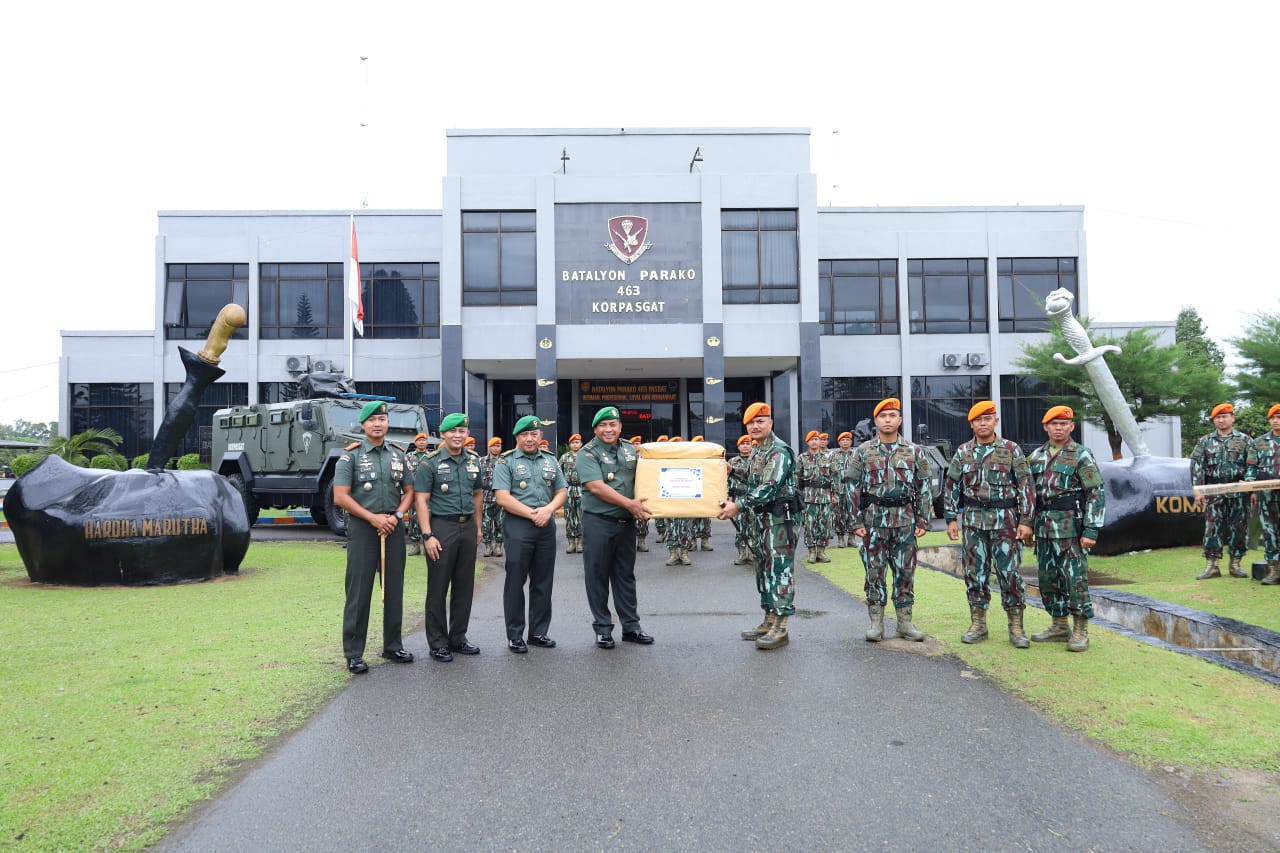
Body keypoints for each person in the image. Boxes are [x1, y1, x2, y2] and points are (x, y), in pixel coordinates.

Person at [943, 401, 1035, 648]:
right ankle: (978, 624)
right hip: (973, 522)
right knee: (975, 573)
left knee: (1009, 573)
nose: (983, 423)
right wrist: (951, 518)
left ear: (996, 421)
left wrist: (1027, 521)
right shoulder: (963, 452)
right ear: (971, 424)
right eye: (978, 420)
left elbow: (1026, 486)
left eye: (987, 419)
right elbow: (952, 486)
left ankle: (1016, 627)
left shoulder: (1011, 450)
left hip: (1006, 521)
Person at [333, 400, 416, 674]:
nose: (378, 424)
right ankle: (354, 653)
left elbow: (409, 491)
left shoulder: (398, 454)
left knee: (393, 589)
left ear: (388, 423)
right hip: (363, 529)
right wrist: (373, 518)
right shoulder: (351, 457)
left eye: (382, 419)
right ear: (363, 424)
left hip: (392, 528)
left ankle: (393, 646)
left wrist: (396, 516)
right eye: (372, 420)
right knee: (359, 592)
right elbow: (340, 496)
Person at [847, 399, 932, 642]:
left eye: (892, 415)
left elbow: (923, 487)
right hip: (873, 521)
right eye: (883, 416)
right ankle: (876, 623)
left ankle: (905, 622)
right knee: (874, 572)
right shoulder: (863, 451)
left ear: (900, 420)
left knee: (905, 572)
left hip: (905, 521)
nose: (887, 420)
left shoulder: (914, 451)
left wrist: (923, 521)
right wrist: (856, 522)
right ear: (876, 421)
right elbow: (851, 487)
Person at [717, 402, 799, 651]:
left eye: (760, 421)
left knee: (779, 571)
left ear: (770, 423)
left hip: (779, 521)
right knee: (763, 570)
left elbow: (769, 487)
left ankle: (781, 628)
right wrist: (732, 471)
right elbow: (754, 479)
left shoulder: (779, 451)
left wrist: (738, 505)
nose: (755, 426)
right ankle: (769, 620)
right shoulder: (758, 450)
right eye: (751, 423)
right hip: (761, 521)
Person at [1026, 406, 1106, 652]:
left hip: (1071, 526)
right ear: (1045, 427)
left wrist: (1091, 529)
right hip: (1043, 527)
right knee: (1048, 578)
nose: (1058, 428)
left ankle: (1081, 629)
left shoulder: (1081, 455)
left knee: (1074, 578)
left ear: (1071, 427)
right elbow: (1030, 495)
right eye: (1054, 424)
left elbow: (1095, 492)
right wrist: (1027, 524)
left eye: (1063, 424)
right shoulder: (1036, 456)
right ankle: (1059, 625)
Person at [576, 406, 654, 648]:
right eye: (603, 425)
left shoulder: (630, 449)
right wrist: (630, 504)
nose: (608, 429)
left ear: (620, 427)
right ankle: (603, 629)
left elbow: (649, 476)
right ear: (595, 429)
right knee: (597, 576)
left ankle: (631, 627)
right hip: (599, 522)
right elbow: (596, 487)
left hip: (626, 524)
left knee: (625, 576)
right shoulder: (587, 453)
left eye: (613, 425)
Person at [493, 416, 567, 653]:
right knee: (515, 581)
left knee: (543, 580)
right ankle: (515, 635)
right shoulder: (506, 462)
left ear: (540, 436)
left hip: (546, 525)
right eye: (524, 435)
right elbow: (502, 497)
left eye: (534, 434)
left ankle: (538, 632)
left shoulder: (550, 460)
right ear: (517, 437)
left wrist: (548, 510)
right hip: (519, 525)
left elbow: (562, 491)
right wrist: (533, 514)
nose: (529, 438)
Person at [413, 412, 483, 662]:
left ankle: (458, 638)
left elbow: (477, 493)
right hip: (442, 527)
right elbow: (421, 500)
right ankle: (438, 642)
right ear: (443, 434)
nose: (458, 435)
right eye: (453, 431)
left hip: (467, 527)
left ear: (467, 434)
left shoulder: (473, 460)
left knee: (464, 586)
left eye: (462, 431)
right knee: (438, 586)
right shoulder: (430, 463)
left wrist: (478, 526)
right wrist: (427, 535)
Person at [1190, 403, 1252, 579]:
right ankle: (1212, 566)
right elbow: (1196, 466)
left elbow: (1253, 464)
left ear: (1232, 418)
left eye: (1224, 416)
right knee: (1212, 527)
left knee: (1239, 527)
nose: (1221, 420)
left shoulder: (1245, 440)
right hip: (1213, 491)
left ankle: (1235, 564)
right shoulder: (1205, 441)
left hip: (1239, 491)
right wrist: (1198, 490)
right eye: (1218, 417)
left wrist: (1250, 485)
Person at [1246, 403, 1280, 585]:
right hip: (1267, 496)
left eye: (1279, 418)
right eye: (1273, 418)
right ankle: (1275, 571)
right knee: (1269, 531)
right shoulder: (1259, 442)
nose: (1275, 421)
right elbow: (1251, 468)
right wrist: (1252, 488)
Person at [798, 429, 834, 563]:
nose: (814, 442)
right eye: (812, 439)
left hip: (825, 496)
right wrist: (798, 496)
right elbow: (797, 478)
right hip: (809, 497)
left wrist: (834, 494)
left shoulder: (828, 457)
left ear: (820, 441)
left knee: (825, 525)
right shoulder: (802, 458)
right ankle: (812, 552)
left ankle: (821, 551)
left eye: (817, 439)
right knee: (809, 525)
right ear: (807, 442)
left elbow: (834, 477)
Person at [663, 436, 697, 566]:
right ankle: (673, 554)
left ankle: (684, 554)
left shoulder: (689, 462)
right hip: (669, 500)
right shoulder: (664, 462)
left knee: (685, 527)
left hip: (686, 500)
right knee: (670, 527)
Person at [404, 431, 433, 556]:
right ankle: (415, 545)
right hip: (414, 493)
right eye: (419, 440)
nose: (421, 442)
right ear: (415, 443)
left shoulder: (431, 456)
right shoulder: (408, 457)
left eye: (424, 440)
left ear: (427, 442)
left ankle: (427, 543)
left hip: (428, 493)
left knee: (429, 517)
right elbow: (405, 475)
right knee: (413, 519)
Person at [728, 434, 754, 565]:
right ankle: (742, 554)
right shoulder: (732, 462)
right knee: (740, 527)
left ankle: (753, 553)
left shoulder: (756, 460)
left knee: (754, 526)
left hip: (753, 499)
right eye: (743, 444)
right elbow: (726, 479)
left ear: (752, 446)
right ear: (738, 446)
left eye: (748, 444)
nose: (745, 446)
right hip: (738, 499)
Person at [479, 437, 505, 557]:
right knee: (486, 524)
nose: (496, 448)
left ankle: (498, 546)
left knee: (500, 523)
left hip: (501, 498)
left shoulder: (504, 461)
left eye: (498, 446)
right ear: (489, 447)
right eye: (493, 446)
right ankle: (488, 547)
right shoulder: (481, 461)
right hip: (486, 498)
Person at [831, 430, 856, 548]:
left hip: (853, 489)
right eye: (843, 440)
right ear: (839, 442)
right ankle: (840, 538)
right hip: (838, 489)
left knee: (853, 513)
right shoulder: (832, 456)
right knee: (838, 514)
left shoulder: (856, 455)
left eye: (847, 440)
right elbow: (829, 473)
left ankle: (852, 538)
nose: (845, 442)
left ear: (851, 442)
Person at [559, 434, 585, 554]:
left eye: (577, 442)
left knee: (581, 517)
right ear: (570, 444)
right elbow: (559, 473)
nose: (575, 444)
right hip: (568, 490)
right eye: (573, 442)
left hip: (581, 490)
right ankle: (571, 542)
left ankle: (580, 542)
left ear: (581, 444)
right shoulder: (564, 457)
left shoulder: (585, 456)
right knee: (569, 517)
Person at [690, 435, 714, 551]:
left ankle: (705, 541)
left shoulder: (708, 460)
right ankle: (692, 541)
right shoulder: (689, 460)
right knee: (691, 517)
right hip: (692, 492)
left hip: (705, 492)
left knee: (705, 517)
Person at [630, 435, 651, 551]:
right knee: (630, 515)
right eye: (633, 444)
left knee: (642, 515)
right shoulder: (627, 458)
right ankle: (631, 541)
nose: (636, 446)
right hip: (630, 489)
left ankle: (641, 540)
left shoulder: (645, 458)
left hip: (642, 489)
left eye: (638, 444)